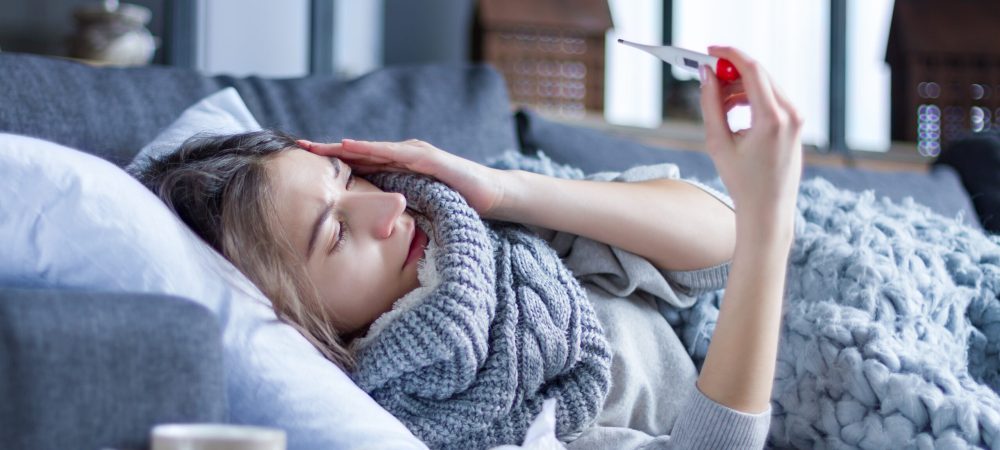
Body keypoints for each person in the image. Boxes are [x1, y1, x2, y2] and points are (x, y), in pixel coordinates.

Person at [136, 47, 802, 449]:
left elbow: (722, 243)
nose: (388, 206)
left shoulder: (464, 222)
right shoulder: (463, 420)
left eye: (346, 178)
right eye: (334, 234)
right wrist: (769, 219)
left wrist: (506, 192)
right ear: (291, 317)